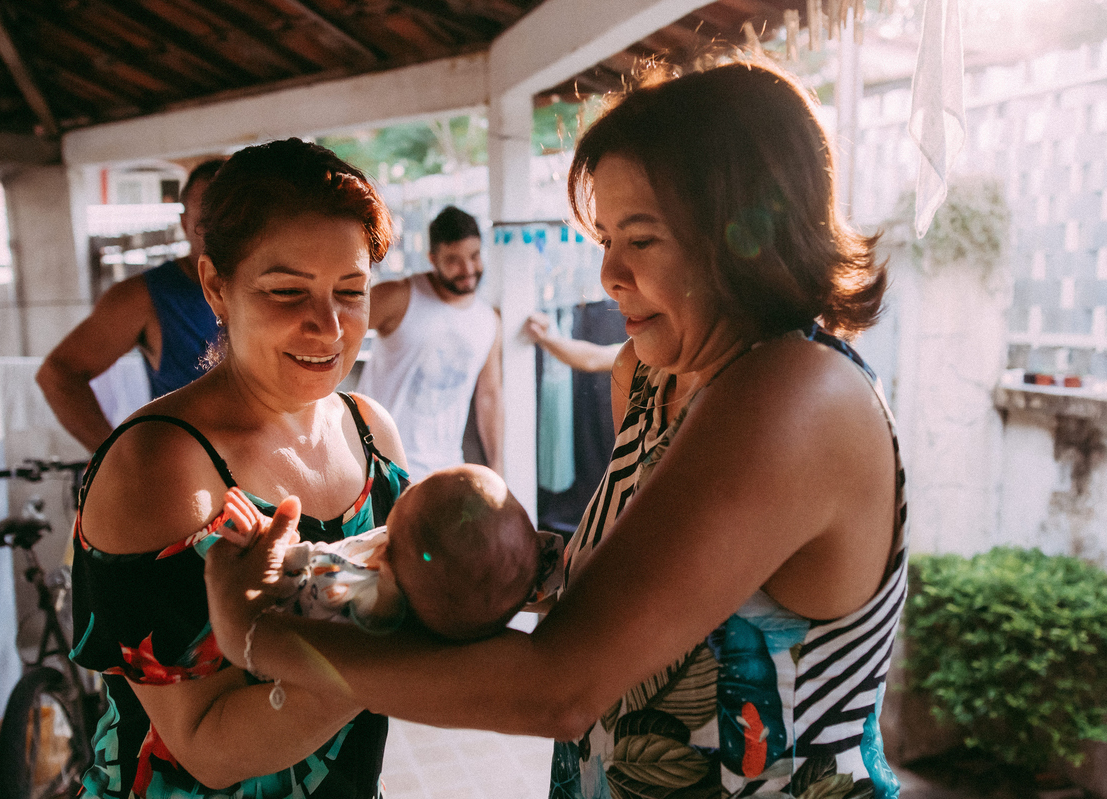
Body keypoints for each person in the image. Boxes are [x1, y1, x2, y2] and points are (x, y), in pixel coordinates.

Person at [206, 58, 908, 799]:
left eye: (641, 239)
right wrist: (428, 564)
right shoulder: (652, 378)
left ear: (742, 235)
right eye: (605, 238)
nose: (609, 275)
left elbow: (561, 685)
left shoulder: (794, 393)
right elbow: (631, 593)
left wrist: (259, 635)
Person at [68, 138, 407, 797]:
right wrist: (400, 650)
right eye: (287, 291)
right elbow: (207, 750)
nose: (329, 326)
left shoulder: (371, 431)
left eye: (351, 291)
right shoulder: (160, 464)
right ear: (216, 287)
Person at [220, 464, 562, 639]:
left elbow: (310, 591)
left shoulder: (376, 603)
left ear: (385, 562)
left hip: (277, 619)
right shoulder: (418, 556)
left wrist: (277, 551)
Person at [36, 158, 225, 452]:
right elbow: (58, 374)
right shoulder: (145, 296)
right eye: (206, 221)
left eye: (231, 219)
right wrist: (115, 456)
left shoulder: (272, 289)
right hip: (185, 467)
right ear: (184, 223)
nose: (220, 232)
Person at [356, 205, 503, 476]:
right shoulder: (398, 296)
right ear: (432, 259)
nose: (468, 269)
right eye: (454, 260)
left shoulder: (488, 320)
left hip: (445, 469)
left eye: (474, 256)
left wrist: (497, 467)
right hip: (379, 464)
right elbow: (336, 333)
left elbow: (489, 397)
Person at [524, 311, 622, 373]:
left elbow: (593, 359)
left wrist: (544, 337)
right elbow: (592, 358)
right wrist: (544, 337)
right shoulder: (630, 351)